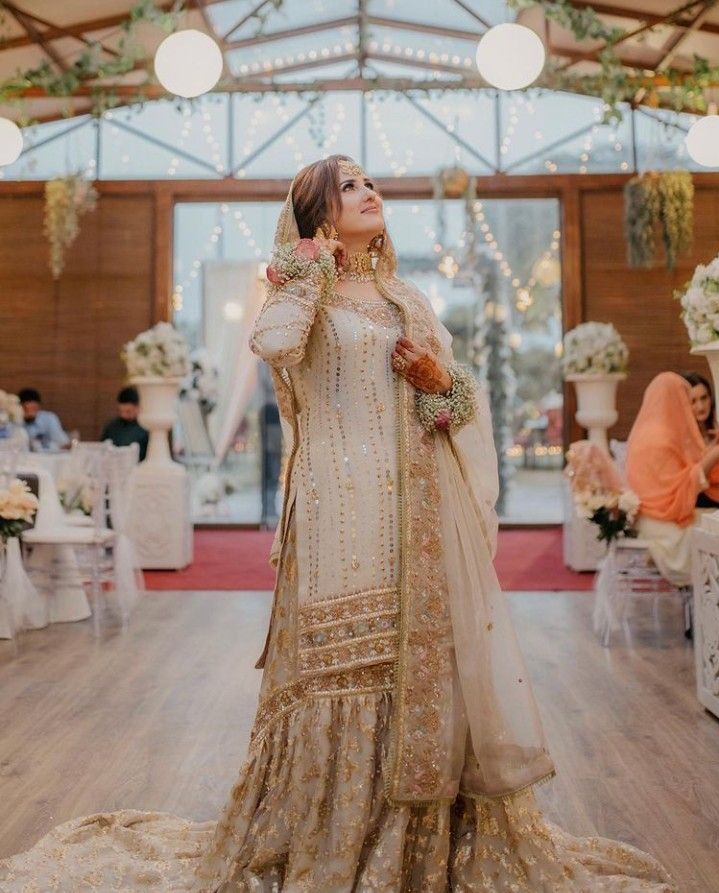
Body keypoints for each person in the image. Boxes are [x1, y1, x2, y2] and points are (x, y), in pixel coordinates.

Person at [0, 157, 676, 890]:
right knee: (345, 668)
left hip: (413, 510)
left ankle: (420, 841)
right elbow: (274, 346)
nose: (370, 191)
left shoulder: (405, 296)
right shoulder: (302, 290)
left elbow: (459, 403)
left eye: (369, 181)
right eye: (349, 186)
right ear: (319, 213)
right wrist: (309, 268)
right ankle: (334, 833)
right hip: (336, 507)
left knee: (413, 661)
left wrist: (438, 381)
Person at [626, 371, 719, 586]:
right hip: (668, 517)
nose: (697, 407)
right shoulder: (663, 438)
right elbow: (680, 485)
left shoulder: (652, 433)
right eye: (689, 400)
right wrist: (713, 455)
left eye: (704, 398)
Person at [101, 386, 149, 461]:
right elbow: (102, 450)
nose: (124, 415)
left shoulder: (146, 427)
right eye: (121, 411)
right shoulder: (111, 427)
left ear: (138, 407)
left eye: (128, 412)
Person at [18, 387, 69, 452]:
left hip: (47, 456)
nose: (31, 413)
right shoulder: (14, 420)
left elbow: (62, 442)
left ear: (39, 406)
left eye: (34, 408)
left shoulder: (49, 418)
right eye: (26, 409)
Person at [681, 370, 716, 444]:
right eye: (693, 401)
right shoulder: (680, 439)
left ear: (710, 398)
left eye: (704, 398)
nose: (701, 407)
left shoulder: (716, 431)